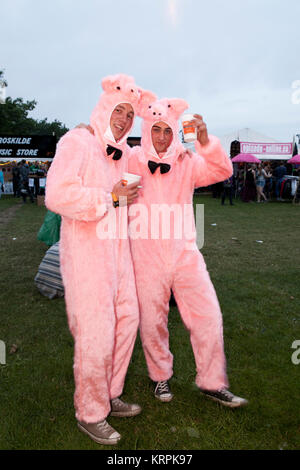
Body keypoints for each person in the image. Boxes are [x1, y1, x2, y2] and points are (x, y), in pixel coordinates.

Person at [45, 74, 155, 445]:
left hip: (118, 254)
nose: (124, 120)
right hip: (87, 258)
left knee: (128, 321)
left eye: (129, 115)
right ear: (105, 107)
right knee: (95, 336)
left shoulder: (121, 152)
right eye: (119, 111)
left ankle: (110, 392)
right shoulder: (76, 140)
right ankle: (90, 413)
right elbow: (57, 195)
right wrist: (109, 198)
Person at [126, 98, 248, 408]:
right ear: (147, 130)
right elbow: (111, 191)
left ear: (176, 132)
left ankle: (212, 381)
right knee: (152, 321)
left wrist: (205, 142)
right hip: (146, 256)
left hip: (185, 254)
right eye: (157, 130)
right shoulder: (133, 160)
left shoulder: (187, 161)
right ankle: (159, 375)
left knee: (208, 315)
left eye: (168, 131)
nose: (163, 137)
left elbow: (222, 170)